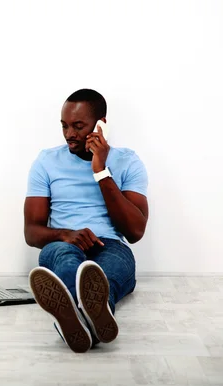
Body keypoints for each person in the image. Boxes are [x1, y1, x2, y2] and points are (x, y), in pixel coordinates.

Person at [23, 88, 149, 353]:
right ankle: (87, 321)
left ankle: (79, 321)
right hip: (63, 243)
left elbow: (135, 231)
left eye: (78, 126)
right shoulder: (46, 161)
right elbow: (31, 233)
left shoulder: (127, 162)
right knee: (68, 263)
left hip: (110, 245)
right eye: (65, 126)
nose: (70, 134)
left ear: (101, 124)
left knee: (106, 276)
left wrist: (101, 170)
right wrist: (65, 234)